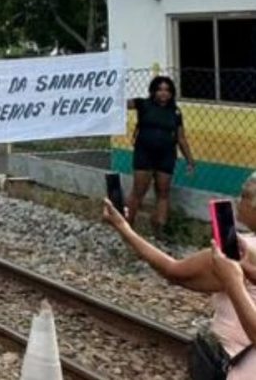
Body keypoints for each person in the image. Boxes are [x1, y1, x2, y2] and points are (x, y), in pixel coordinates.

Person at [102, 172, 256, 378]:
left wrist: (124, 228)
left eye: (244, 195)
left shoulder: (237, 251)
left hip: (236, 366)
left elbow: (173, 271)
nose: (238, 201)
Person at [125, 75, 196, 234]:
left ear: (172, 93)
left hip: (166, 156)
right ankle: (126, 226)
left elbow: (181, 138)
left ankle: (159, 231)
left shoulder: (176, 112)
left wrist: (190, 160)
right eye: (160, 89)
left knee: (163, 193)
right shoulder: (142, 104)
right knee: (138, 191)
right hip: (144, 154)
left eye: (167, 90)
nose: (163, 93)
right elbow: (118, 104)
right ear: (153, 91)